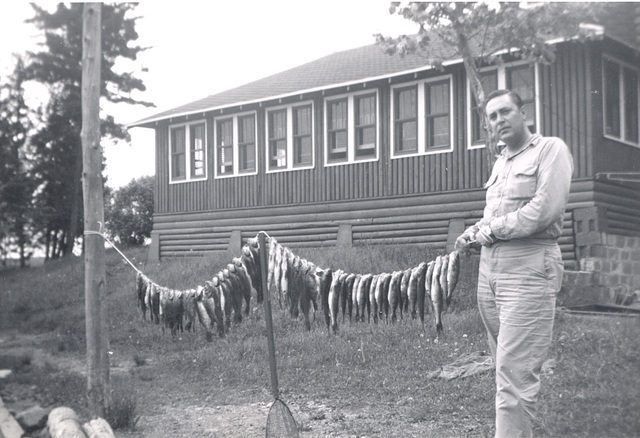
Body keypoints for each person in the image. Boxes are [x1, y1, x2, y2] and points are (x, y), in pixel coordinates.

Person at [455, 89, 573, 438]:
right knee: (504, 372)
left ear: (524, 113)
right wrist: (472, 233)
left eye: (505, 112)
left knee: (515, 377)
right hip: (490, 274)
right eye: (491, 117)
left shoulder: (551, 150)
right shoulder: (502, 161)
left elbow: (543, 211)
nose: (498, 121)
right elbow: (495, 215)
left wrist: (488, 231)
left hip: (529, 269)